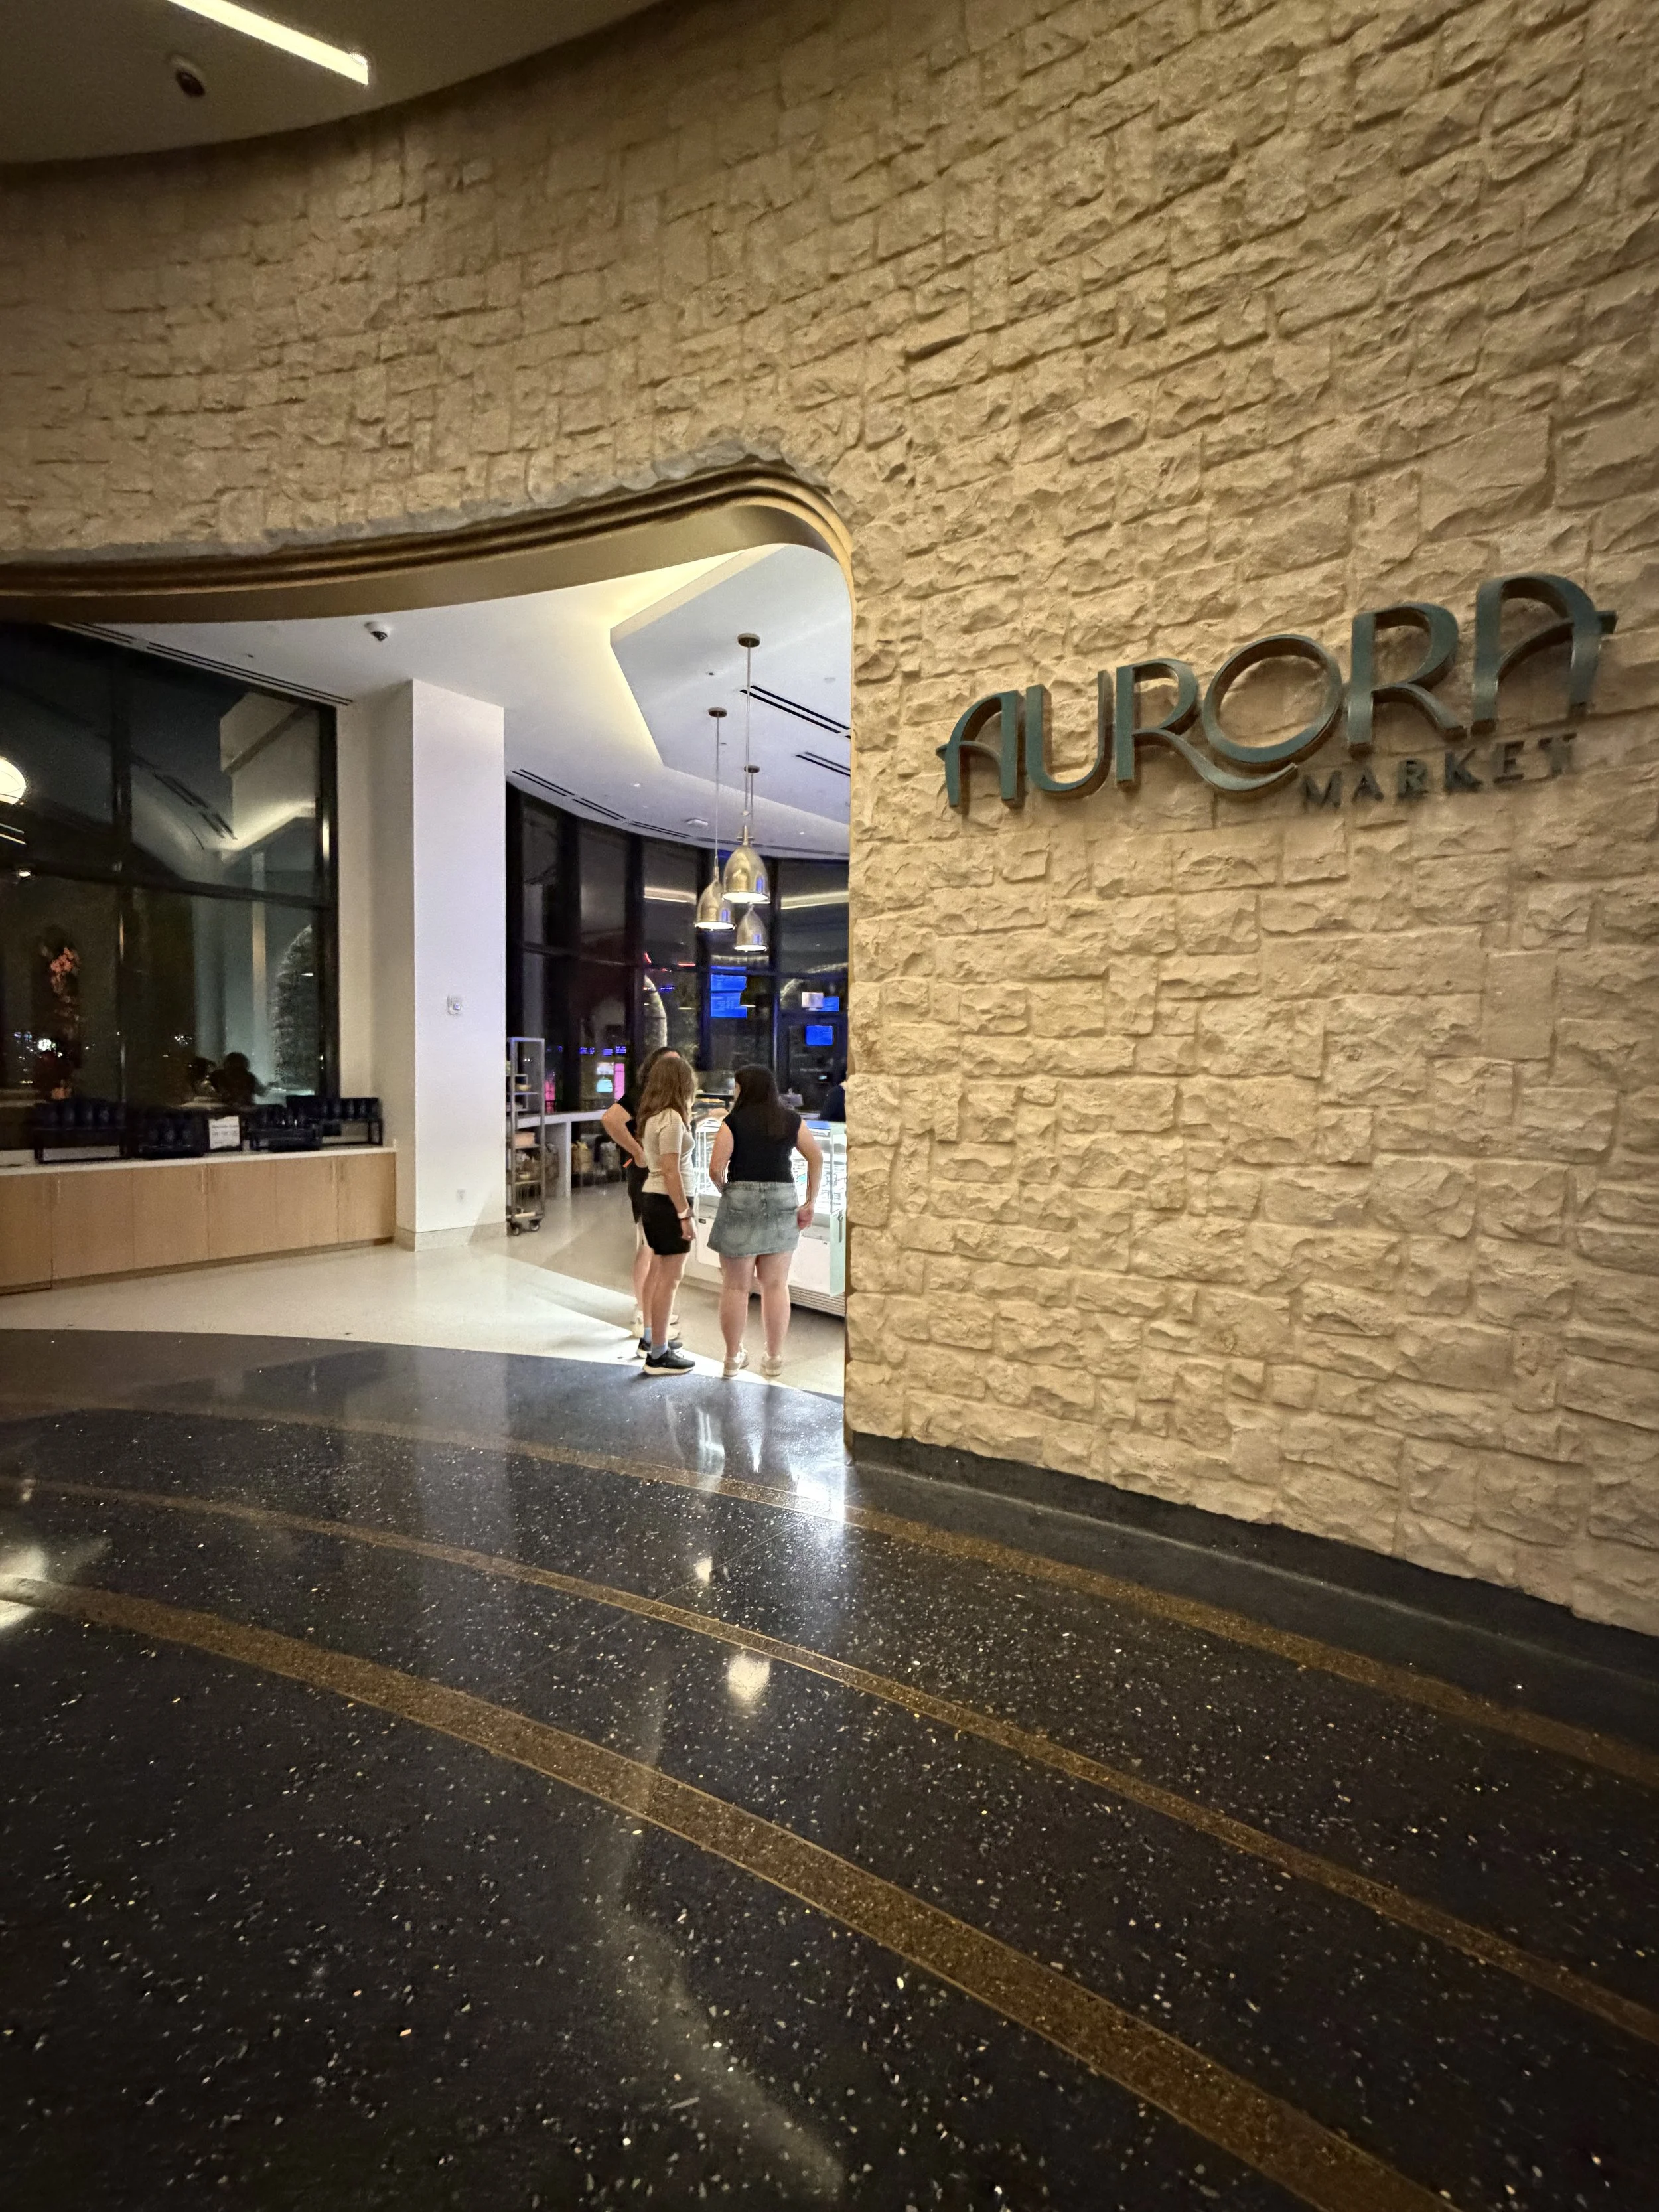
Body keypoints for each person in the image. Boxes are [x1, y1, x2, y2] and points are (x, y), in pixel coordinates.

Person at [708, 1063, 822, 1380]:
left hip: (741, 1198)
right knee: (775, 1285)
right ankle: (774, 1358)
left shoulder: (732, 1122)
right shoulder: (790, 1120)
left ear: (743, 1089)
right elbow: (815, 1156)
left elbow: (716, 1168)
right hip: (783, 1199)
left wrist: (728, 1191)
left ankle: (732, 1358)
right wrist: (810, 1202)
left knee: (735, 1287)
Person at [601, 1045, 685, 1357]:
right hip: (647, 1179)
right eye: (668, 1064)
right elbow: (611, 1119)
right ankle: (644, 1313)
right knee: (648, 1244)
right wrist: (637, 1152)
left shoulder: (667, 1101)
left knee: (653, 1246)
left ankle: (652, 1314)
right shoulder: (643, 1094)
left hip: (657, 1178)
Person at [634, 1052, 699, 1377]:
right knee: (670, 1279)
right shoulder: (672, 1118)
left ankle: (654, 1339)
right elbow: (671, 1170)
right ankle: (658, 1355)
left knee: (661, 1273)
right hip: (667, 1202)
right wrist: (684, 1213)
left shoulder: (653, 1116)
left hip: (654, 1198)